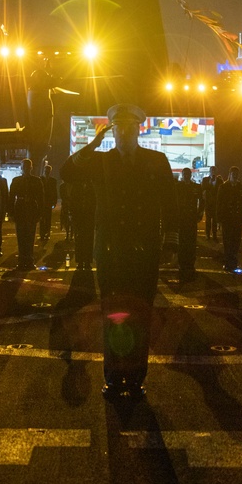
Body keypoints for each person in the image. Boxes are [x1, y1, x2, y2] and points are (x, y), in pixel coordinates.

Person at [60, 103, 178, 403]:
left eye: (130, 128)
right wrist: (93, 143)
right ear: (113, 132)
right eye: (119, 128)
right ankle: (113, 377)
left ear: (138, 130)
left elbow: (171, 202)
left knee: (140, 316)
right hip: (112, 253)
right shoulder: (101, 161)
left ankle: (137, 378)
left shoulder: (157, 160)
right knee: (113, 316)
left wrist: (170, 243)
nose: (125, 133)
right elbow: (67, 172)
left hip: (144, 253)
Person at [8, 158, 44, 270]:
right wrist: (11, 212)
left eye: (28, 167)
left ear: (31, 168)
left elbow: (41, 198)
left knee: (30, 236)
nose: (26, 169)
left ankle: (29, 260)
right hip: (20, 208)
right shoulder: (16, 180)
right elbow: (11, 197)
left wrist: (40, 213)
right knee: (21, 237)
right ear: (21, 168)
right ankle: (22, 260)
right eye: (24, 167)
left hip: (31, 209)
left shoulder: (37, 181)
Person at [217, 166, 242, 271]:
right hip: (227, 219)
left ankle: (234, 262)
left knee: (236, 242)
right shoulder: (223, 187)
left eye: (236, 174)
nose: (235, 176)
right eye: (233, 174)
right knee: (227, 242)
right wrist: (219, 219)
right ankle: (227, 262)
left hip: (237, 219)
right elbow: (219, 204)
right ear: (229, 174)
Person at [175, 167, 204, 282]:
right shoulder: (178, 187)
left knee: (191, 242)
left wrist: (199, 214)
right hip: (181, 218)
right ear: (182, 174)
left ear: (190, 175)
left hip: (192, 218)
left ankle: (190, 264)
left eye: (188, 174)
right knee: (182, 242)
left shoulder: (196, 187)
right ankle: (182, 264)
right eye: (185, 173)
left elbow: (201, 201)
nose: (186, 175)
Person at [67, 178, 96, 270]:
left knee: (88, 239)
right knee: (79, 239)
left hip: (88, 216)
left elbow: (94, 200)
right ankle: (80, 261)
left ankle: (87, 261)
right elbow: (72, 200)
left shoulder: (91, 185)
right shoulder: (77, 185)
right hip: (79, 216)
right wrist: (72, 213)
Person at [39, 164, 58, 242]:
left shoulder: (53, 180)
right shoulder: (40, 179)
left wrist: (54, 201)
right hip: (42, 202)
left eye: (48, 171)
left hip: (48, 202)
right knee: (42, 219)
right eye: (46, 171)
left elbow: (54, 192)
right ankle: (42, 234)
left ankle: (47, 233)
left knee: (48, 219)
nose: (47, 172)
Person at [201, 166, 220, 241]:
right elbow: (203, 189)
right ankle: (207, 234)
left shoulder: (219, 181)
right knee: (208, 220)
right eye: (212, 170)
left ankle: (214, 235)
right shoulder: (205, 180)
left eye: (214, 170)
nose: (213, 172)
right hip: (208, 203)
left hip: (216, 203)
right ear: (209, 171)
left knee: (215, 220)